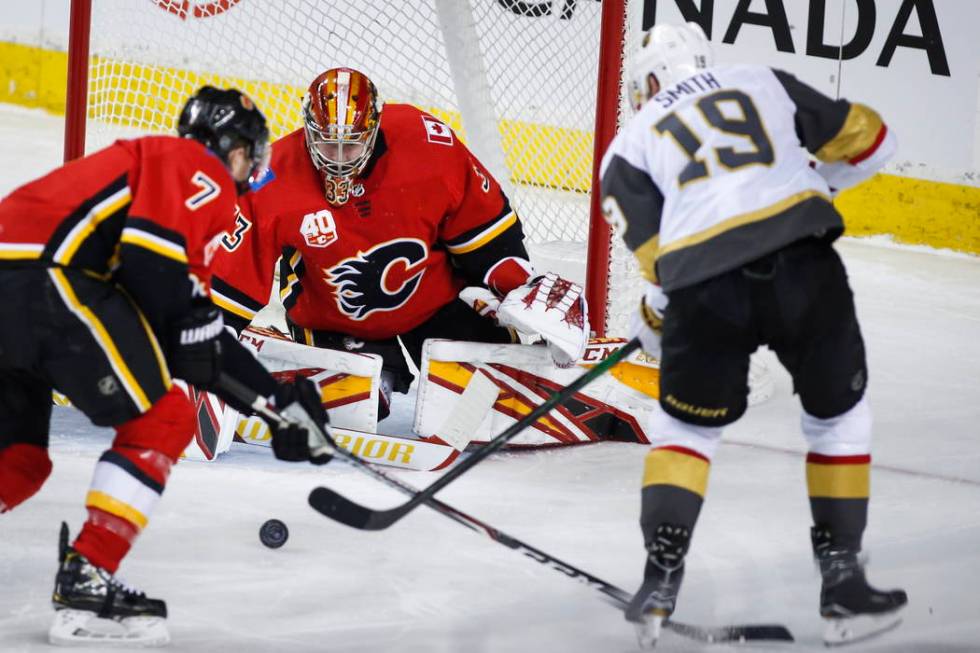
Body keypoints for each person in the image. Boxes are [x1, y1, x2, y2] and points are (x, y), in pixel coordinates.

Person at [599, 23, 907, 647]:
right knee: (837, 419)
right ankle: (843, 585)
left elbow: (663, 268)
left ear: (646, 85)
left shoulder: (624, 149)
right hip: (802, 265)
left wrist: (654, 321)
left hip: (705, 291)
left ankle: (659, 582)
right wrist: (815, 182)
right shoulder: (759, 79)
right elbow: (875, 140)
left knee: (686, 431)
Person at [0, 86, 330, 647]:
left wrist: (274, 406)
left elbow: (192, 337)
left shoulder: (152, 177)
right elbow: (165, 292)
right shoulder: (194, 168)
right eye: (251, 155)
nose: (253, 169)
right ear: (231, 151)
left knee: (21, 462)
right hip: (48, 282)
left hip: (21, 283)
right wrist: (275, 405)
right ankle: (89, 573)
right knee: (166, 419)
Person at [211, 67, 588, 419]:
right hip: (335, 320)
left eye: (352, 147)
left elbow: (484, 230)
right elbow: (233, 277)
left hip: (436, 303)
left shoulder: (425, 143)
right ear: (308, 131)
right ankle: (278, 362)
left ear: (374, 129)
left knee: (493, 405)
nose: (339, 161)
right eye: (328, 146)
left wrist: (520, 286)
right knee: (354, 409)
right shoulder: (270, 177)